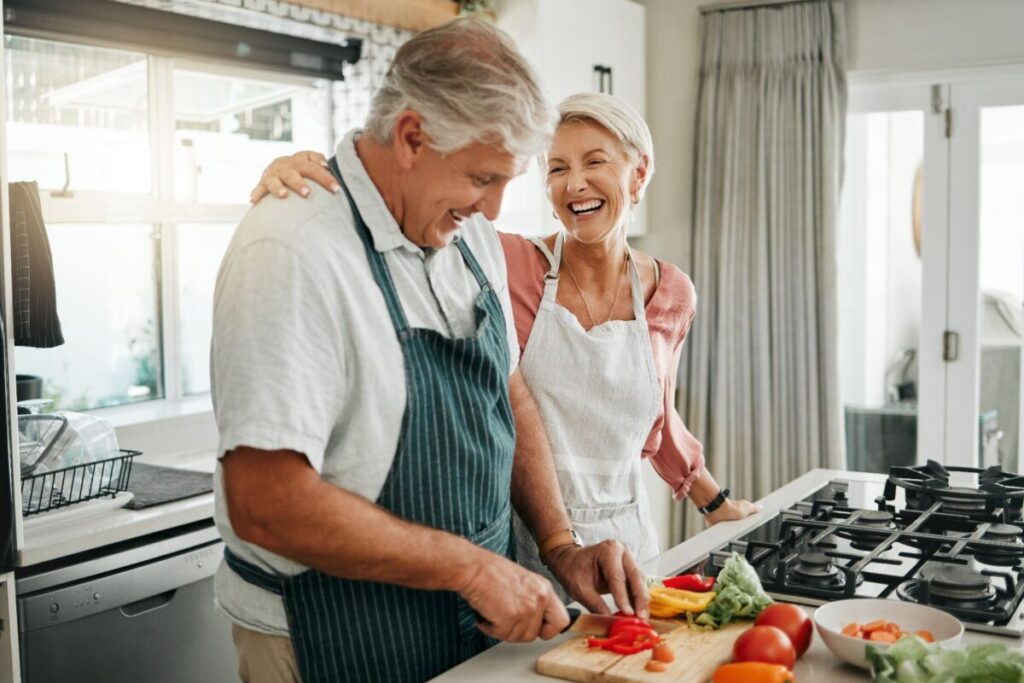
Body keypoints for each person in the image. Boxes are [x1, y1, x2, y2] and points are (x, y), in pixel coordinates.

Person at [213, 19, 647, 683]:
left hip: (467, 620)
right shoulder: (292, 250)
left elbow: (508, 390)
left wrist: (559, 545)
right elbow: (266, 500)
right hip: (332, 631)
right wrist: (470, 567)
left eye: (509, 180)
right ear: (413, 136)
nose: (496, 209)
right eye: (482, 176)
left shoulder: (466, 233)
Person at [251, 92, 760, 600]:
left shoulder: (671, 292)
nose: (574, 183)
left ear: (639, 172)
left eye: (594, 162)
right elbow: (403, 209)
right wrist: (314, 176)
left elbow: (657, 416)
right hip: (520, 549)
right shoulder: (507, 260)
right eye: (556, 168)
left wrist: (716, 503)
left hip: (629, 548)